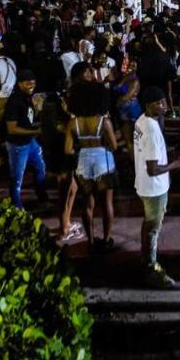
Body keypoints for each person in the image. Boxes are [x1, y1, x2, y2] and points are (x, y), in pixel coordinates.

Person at [134, 86, 180, 288]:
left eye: (164, 101)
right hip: (154, 188)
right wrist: (175, 164)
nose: (164, 105)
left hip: (144, 185)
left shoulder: (141, 121)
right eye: (159, 103)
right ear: (148, 105)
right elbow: (153, 169)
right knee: (153, 228)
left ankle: (146, 259)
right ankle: (150, 268)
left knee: (148, 225)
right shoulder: (152, 130)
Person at [65, 81, 119, 250]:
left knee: (87, 203)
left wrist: (80, 150)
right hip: (104, 162)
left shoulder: (74, 123)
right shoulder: (104, 122)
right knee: (107, 202)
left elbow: (67, 150)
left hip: (83, 162)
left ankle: (90, 240)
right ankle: (107, 238)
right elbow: (114, 146)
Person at [3, 69, 48, 209]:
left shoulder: (29, 97)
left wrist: (37, 110)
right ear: (19, 84)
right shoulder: (14, 101)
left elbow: (28, 119)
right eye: (27, 83)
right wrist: (36, 130)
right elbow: (12, 128)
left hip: (30, 141)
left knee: (40, 168)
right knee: (17, 177)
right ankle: (16, 206)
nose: (31, 85)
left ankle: (42, 196)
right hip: (17, 145)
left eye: (33, 82)